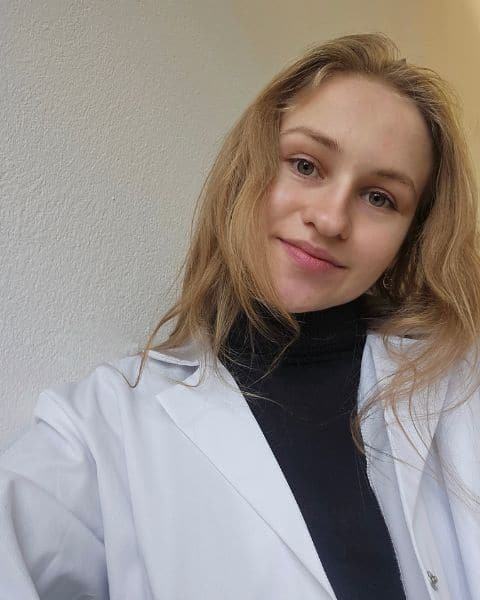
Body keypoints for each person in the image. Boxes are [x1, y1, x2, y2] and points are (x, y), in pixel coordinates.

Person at [1, 32, 479, 600]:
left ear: (409, 239)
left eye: (380, 197)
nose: (330, 219)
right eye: (306, 165)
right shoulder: (103, 425)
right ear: (246, 168)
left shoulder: (460, 387)